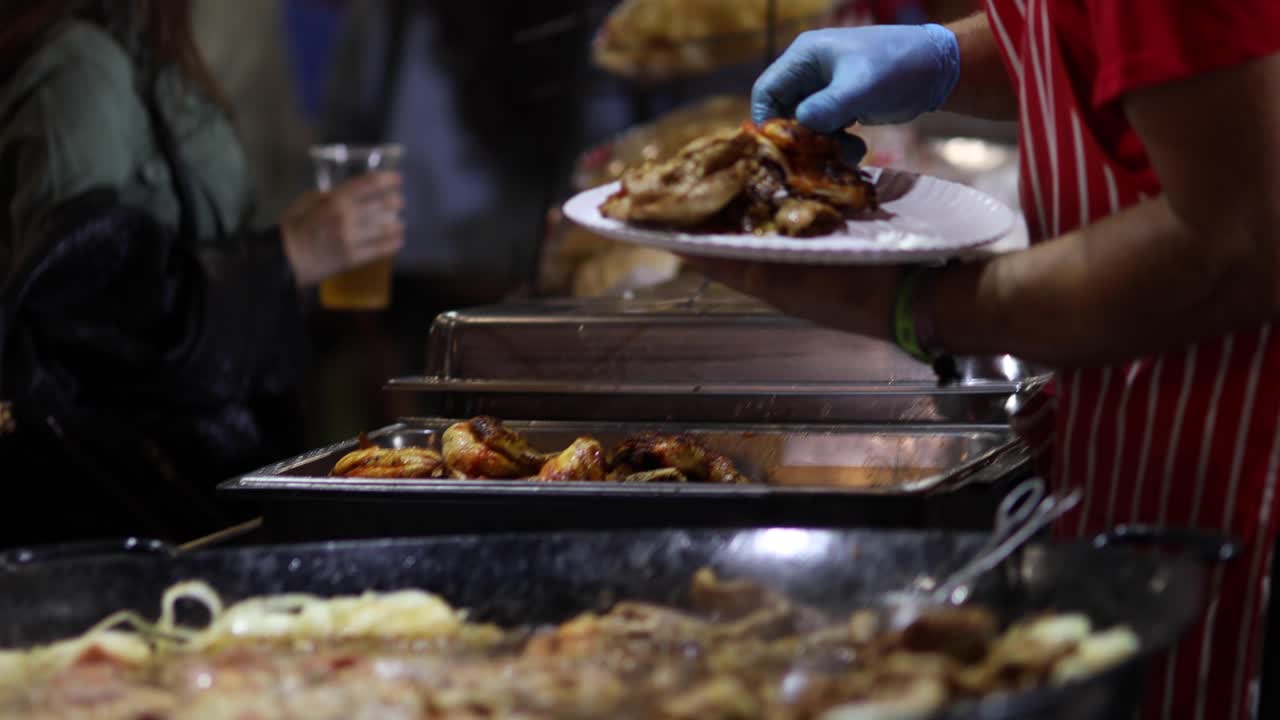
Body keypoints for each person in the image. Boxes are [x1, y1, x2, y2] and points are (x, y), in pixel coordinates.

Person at [694, 3, 1280, 718]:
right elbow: (1127, 51)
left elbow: (1235, 246)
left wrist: (919, 308)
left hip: (1238, 452)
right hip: (1152, 413)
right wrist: (945, 60)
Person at [0, 0, 404, 543]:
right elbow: (76, 302)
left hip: (177, 499)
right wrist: (284, 256)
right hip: (118, 519)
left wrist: (292, 256)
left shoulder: (143, 41)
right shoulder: (80, 64)